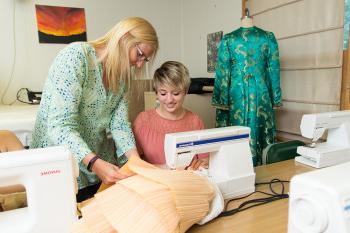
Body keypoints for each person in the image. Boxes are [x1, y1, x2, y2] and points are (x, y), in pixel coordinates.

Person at [30, 17, 159, 202]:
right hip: (58, 165)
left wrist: (135, 160)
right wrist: (93, 162)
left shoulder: (122, 77)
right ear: (124, 38)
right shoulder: (76, 57)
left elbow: (120, 124)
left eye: (144, 60)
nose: (139, 64)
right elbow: (60, 126)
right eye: (139, 54)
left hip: (96, 163)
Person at [211, 23, 282, 166]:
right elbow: (273, 71)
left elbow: (223, 73)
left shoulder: (229, 39)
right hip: (261, 92)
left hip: (236, 92)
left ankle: (238, 168)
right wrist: (275, 97)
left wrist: (222, 100)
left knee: (237, 130)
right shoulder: (268, 37)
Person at [133, 61, 208, 170]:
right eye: (163, 93)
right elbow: (134, 164)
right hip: (153, 183)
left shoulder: (195, 121)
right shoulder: (143, 121)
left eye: (176, 93)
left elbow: (204, 161)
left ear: (186, 91)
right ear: (156, 92)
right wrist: (163, 169)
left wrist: (202, 165)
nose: (169, 100)